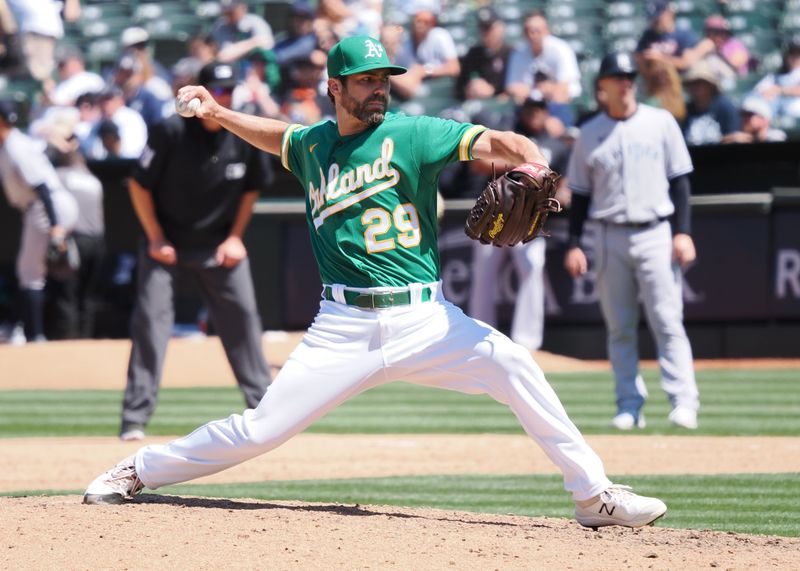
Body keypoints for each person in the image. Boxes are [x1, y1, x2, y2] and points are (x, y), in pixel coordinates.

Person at [83, 36, 668, 531]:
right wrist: (218, 112)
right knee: (259, 430)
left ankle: (594, 497)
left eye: (384, 78)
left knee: (515, 365)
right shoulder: (312, 145)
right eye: (365, 80)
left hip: (427, 321)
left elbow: (504, 143)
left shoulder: (415, 134)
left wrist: (535, 165)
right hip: (343, 326)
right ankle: (140, 469)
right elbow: (276, 135)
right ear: (335, 87)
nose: (379, 88)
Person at [116, 61, 273, 442]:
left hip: (219, 244)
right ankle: (134, 419)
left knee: (244, 321)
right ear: (199, 92)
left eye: (227, 90)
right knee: (152, 325)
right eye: (215, 90)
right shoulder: (171, 130)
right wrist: (155, 237)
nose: (222, 96)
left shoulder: (243, 131)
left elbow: (253, 188)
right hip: (166, 244)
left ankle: (269, 412)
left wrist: (236, 236)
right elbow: (139, 185)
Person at [564, 52, 700, 431]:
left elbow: (680, 181)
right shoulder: (589, 133)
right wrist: (574, 242)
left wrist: (683, 231)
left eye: (628, 75)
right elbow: (581, 194)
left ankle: (683, 402)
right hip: (609, 235)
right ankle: (629, 405)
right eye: (616, 76)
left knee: (667, 321)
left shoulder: (660, 123)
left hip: (656, 229)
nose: (625, 81)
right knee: (620, 327)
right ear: (601, 86)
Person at [468, 95, 570, 350]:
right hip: (496, 214)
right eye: (530, 109)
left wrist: (558, 192)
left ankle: (527, 342)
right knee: (484, 273)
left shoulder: (555, 144)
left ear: (547, 111)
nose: (534, 114)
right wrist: (524, 168)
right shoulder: (510, 135)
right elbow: (478, 164)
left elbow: (565, 184)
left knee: (532, 267)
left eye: (539, 109)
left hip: (530, 217)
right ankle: (476, 335)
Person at [0, 100, 78, 342]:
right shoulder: (10, 144)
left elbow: (41, 187)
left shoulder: (15, 147)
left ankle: (34, 335)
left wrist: (56, 227)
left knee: (29, 273)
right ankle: (25, 328)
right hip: (46, 206)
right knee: (35, 271)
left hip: (47, 206)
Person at [504, 10, 581, 130]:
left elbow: (563, 92)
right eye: (528, 31)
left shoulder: (561, 50)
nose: (532, 35)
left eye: (537, 31)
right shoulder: (518, 53)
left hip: (558, 107)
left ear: (547, 31)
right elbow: (512, 88)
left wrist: (540, 92)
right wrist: (541, 90)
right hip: (528, 109)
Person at [454, 7, 513, 102]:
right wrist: (469, 89)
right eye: (482, 28)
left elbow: (517, 87)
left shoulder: (511, 54)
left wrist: (493, 91)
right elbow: (459, 88)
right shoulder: (473, 54)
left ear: (500, 28)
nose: (485, 33)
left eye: (489, 28)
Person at [635, 0, 705, 73]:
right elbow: (638, 60)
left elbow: (686, 63)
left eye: (658, 18)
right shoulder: (647, 36)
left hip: (680, 81)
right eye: (652, 18)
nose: (654, 21)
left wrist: (661, 59)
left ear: (669, 13)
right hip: (656, 81)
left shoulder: (684, 35)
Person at [682, 59, 740, 146]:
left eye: (700, 82)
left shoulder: (724, 107)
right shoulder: (686, 110)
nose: (695, 87)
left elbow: (733, 137)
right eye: (692, 83)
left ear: (710, 85)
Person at [211, 0, 274, 66]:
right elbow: (224, 56)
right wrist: (254, 42)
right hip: (231, 71)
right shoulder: (221, 27)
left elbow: (267, 44)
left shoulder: (255, 21)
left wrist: (236, 50)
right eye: (226, 12)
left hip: (255, 69)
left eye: (232, 11)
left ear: (243, 8)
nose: (228, 15)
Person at [721, 96, 787, 144]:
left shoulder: (776, 135)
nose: (744, 118)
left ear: (764, 119)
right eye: (743, 114)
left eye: (749, 114)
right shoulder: (737, 136)